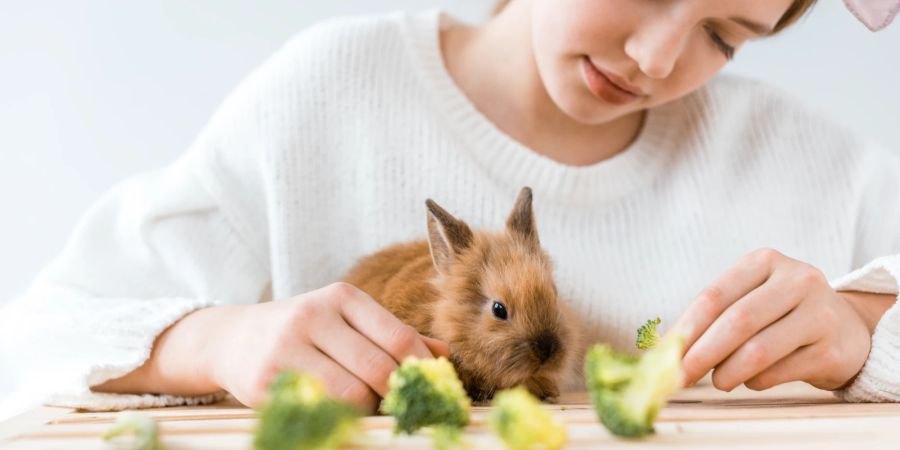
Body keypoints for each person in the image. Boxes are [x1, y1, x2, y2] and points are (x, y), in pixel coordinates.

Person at [2, 0, 899, 415]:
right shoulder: (329, 93)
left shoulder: (811, 164)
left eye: (722, 34)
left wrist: (869, 332)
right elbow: (38, 334)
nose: (657, 57)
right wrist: (211, 340)